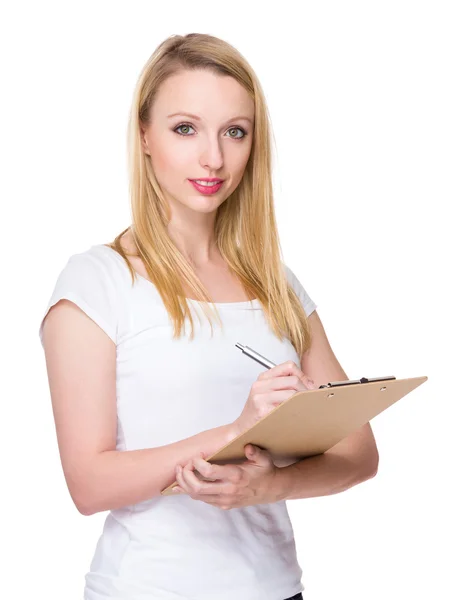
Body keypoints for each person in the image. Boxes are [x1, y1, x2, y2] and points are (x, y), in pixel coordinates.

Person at [39, 33, 379, 600]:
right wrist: (233, 432)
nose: (214, 158)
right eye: (185, 128)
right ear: (145, 136)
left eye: (235, 132)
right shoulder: (97, 282)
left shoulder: (278, 284)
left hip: (277, 589)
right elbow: (87, 484)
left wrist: (268, 486)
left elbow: (359, 454)